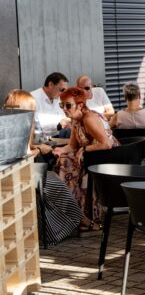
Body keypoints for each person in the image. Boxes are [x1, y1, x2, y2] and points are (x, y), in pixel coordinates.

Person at [4, 89, 84, 243]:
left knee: (53, 180)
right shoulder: (20, 125)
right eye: (32, 107)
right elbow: (21, 157)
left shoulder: (9, 124)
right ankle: (79, 221)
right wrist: (40, 149)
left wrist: (36, 146)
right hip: (19, 176)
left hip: (17, 174)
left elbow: (20, 151)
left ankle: (73, 222)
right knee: (55, 183)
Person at [53, 87, 119, 228]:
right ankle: (74, 214)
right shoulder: (76, 120)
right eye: (62, 105)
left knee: (66, 165)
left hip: (110, 158)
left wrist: (84, 149)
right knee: (62, 159)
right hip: (93, 158)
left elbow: (106, 144)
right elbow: (72, 146)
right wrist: (59, 150)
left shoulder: (88, 118)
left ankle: (76, 215)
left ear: (80, 105)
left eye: (68, 105)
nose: (64, 109)